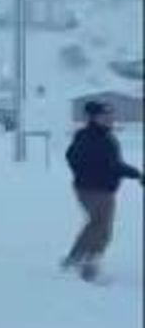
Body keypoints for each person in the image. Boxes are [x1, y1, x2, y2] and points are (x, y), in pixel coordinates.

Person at [62, 101, 142, 281]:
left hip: (96, 189)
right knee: (102, 229)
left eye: (110, 115)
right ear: (94, 118)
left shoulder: (100, 135)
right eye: (104, 116)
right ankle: (88, 266)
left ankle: (75, 258)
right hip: (95, 190)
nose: (109, 119)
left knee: (95, 224)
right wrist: (136, 174)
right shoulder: (92, 137)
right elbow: (111, 166)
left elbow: (75, 157)